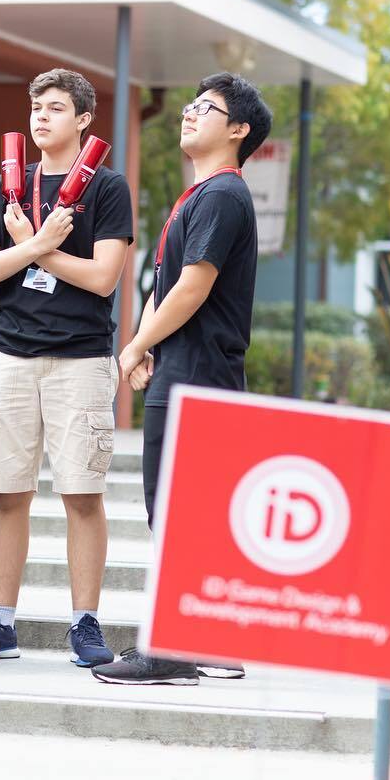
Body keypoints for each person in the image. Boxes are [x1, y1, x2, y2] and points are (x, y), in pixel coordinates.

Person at [92, 70, 271, 687]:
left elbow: (194, 285)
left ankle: (170, 650)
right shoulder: (201, 195)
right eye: (189, 103)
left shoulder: (222, 195)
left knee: (174, 510)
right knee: (190, 510)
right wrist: (144, 347)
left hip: (199, 375)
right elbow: (166, 281)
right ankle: (209, 639)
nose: (190, 113)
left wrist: (135, 347)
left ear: (238, 129)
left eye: (208, 107)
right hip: (189, 368)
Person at [0, 68, 133, 668]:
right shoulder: (8, 184)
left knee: (82, 495)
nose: (41, 118)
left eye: (56, 108)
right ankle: (0, 620)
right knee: (9, 494)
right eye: (36, 107)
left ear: (83, 119)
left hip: (80, 361)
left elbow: (104, 277)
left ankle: (85, 622)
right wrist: (33, 246)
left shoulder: (107, 188)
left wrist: (39, 251)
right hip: (9, 357)